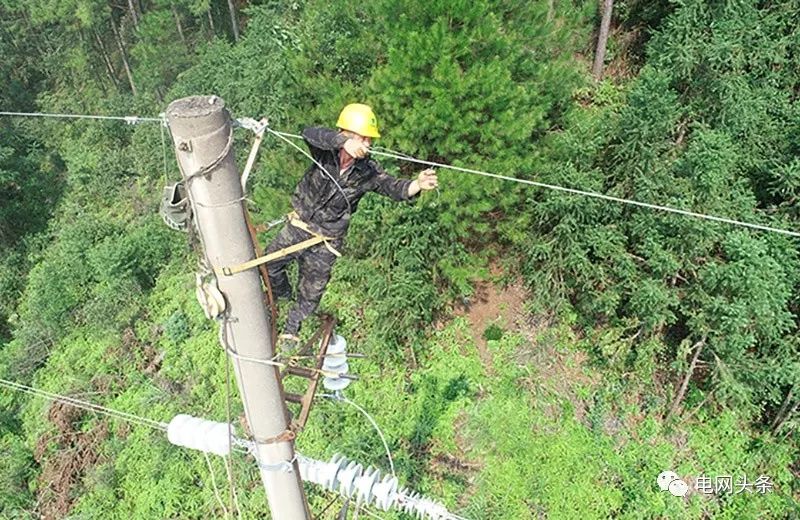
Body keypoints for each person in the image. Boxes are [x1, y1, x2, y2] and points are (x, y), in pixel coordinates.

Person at [266, 103, 439, 352]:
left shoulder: (367, 171)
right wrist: (341, 142)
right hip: (300, 225)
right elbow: (309, 132)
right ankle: (281, 297)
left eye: (369, 140)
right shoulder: (325, 151)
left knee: (311, 293)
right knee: (269, 266)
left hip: (326, 241)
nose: (367, 144)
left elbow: (393, 187)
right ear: (346, 133)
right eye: (363, 138)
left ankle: (292, 327)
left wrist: (417, 185)